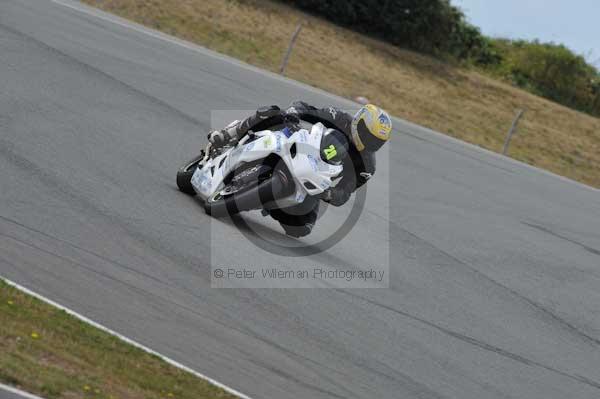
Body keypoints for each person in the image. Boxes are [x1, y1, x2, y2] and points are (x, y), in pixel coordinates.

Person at [208, 101, 392, 237]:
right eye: (369, 136)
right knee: (273, 113)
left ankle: (264, 201)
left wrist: (329, 193)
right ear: (359, 123)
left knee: (301, 228)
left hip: (315, 178)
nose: (371, 143)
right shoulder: (340, 118)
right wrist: (292, 115)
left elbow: (345, 191)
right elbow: (305, 108)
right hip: (299, 145)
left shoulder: (367, 166)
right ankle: (229, 134)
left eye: (377, 142)